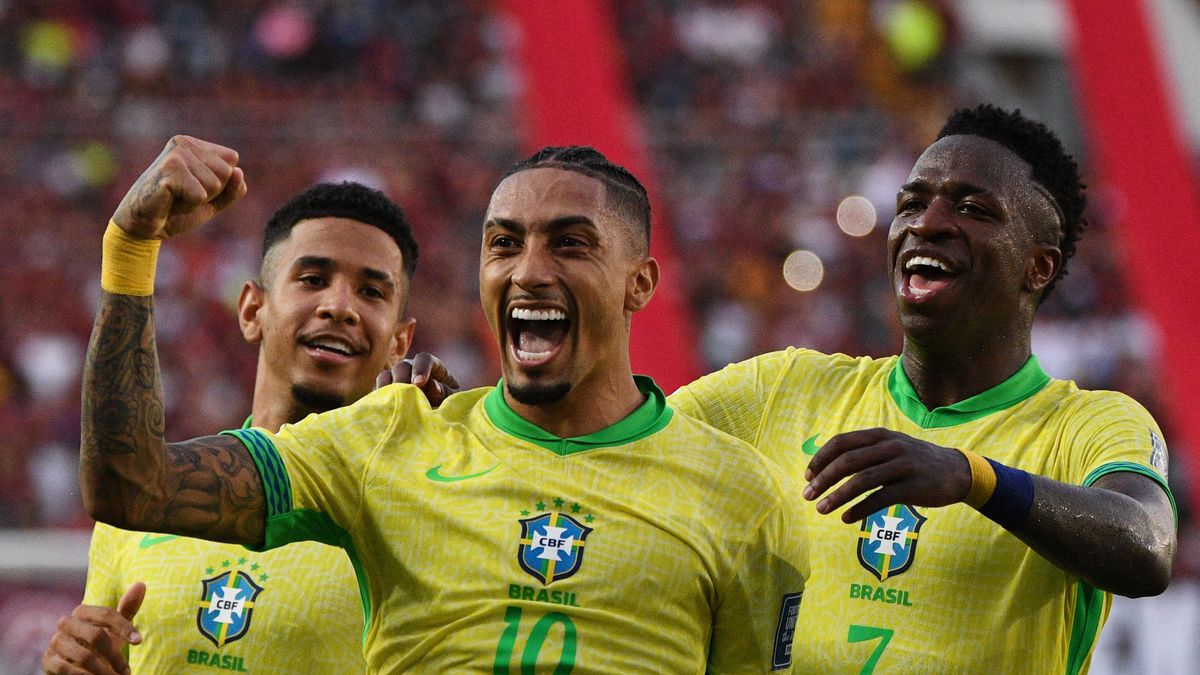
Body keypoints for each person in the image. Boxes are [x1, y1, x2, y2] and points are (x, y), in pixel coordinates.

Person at [76, 141, 808, 672]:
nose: (529, 271)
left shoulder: (741, 496)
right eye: (504, 244)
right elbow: (130, 484)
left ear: (640, 283)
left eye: (571, 245)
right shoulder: (387, 440)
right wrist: (132, 248)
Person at [669, 104, 1177, 673]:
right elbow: (625, 442)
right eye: (910, 203)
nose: (926, 223)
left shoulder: (1088, 424)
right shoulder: (783, 388)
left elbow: (1148, 547)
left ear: (1038, 267)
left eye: (972, 208)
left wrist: (972, 477)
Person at [44, 139, 445, 674]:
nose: (339, 306)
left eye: (372, 292)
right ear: (253, 308)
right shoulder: (140, 508)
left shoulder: (421, 510)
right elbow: (103, 650)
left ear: (400, 342)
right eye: (313, 279)